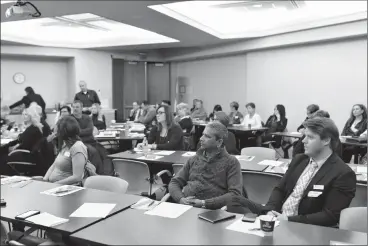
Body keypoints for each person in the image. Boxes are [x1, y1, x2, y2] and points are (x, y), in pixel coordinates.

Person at [228, 117, 356, 227]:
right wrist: (270, 211)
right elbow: (280, 189)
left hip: (305, 229)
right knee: (233, 200)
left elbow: (330, 216)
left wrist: (288, 220)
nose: (304, 141)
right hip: (278, 219)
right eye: (304, 136)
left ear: (326, 140)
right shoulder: (299, 160)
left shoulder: (343, 173)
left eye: (310, 137)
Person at [169, 122, 242, 210]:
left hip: (213, 212)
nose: (201, 138)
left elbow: (235, 194)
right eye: (203, 135)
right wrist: (180, 199)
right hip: (186, 207)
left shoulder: (231, 162)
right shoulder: (194, 159)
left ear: (219, 142)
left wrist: (204, 203)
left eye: (207, 136)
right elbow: (175, 182)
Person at [43, 116, 96, 185]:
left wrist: (55, 185)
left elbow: (77, 177)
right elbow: (54, 166)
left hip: (68, 188)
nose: (55, 135)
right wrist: (44, 181)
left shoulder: (77, 147)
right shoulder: (65, 144)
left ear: (64, 134)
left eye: (57, 133)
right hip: (54, 186)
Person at [4, 107, 47, 176]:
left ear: (31, 116)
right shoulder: (32, 128)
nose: (23, 116)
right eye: (23, 114)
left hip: (28, 156)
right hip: (27, 153)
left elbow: (25, 145)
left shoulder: (32, 130)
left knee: (3, 157)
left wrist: (13, 148)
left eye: (26, 114)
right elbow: (20, 140)